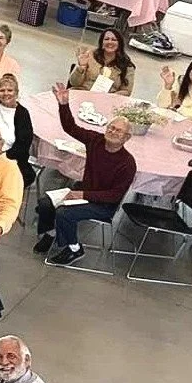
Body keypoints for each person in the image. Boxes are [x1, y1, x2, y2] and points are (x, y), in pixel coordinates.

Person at [33, 82, 134, 268]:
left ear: (126, 138)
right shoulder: (96, 140)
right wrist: (63, 104)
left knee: (64, 213)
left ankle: (74, 248)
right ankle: (51, 233)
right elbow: (70, 127)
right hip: (84, 192)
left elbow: (115, 196)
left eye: (118, 131)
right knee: (46, 202)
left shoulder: (127, 163)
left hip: (103, 205)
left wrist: (82, 195)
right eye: (111, 128)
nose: (112, 132)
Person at [68, 26, 136, 96]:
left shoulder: (127, 66)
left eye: (114, 40)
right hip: (83, 94)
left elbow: (126, 91)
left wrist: (108, 98)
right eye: (106, 39)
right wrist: (81, 67)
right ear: (101, 43)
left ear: (120, 44)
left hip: (108, 99)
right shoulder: (88, 56)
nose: (110, 42)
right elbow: (74, 83)